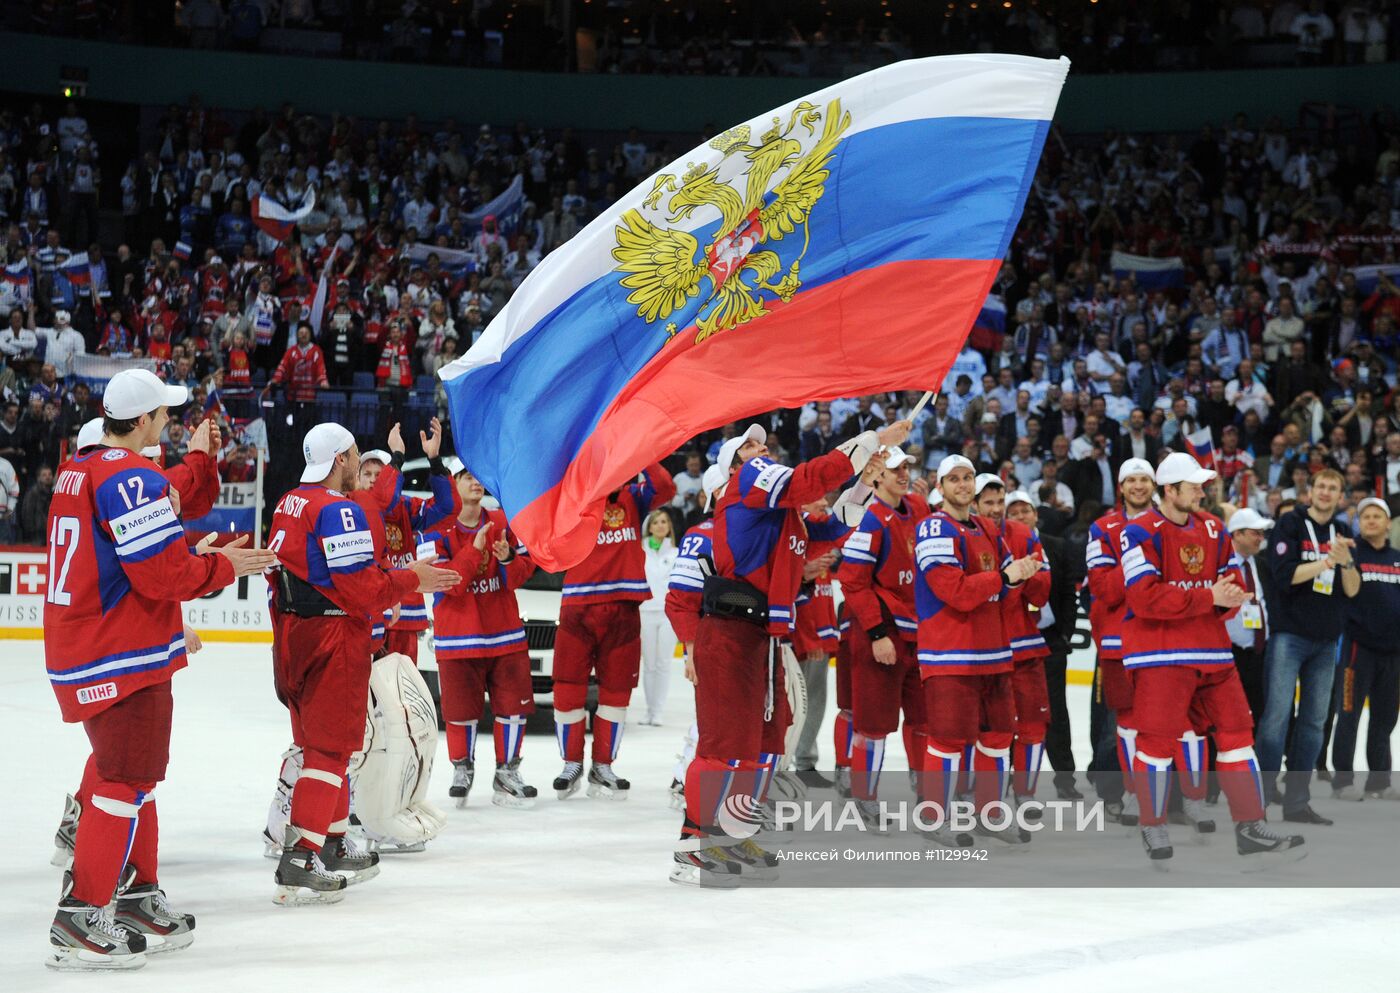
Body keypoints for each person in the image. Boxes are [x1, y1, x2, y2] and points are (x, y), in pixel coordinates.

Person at [43, 369, 274, 969]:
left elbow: (158, 506)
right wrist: (224, 567)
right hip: (115, 650)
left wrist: (198, 467)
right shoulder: (128, 476)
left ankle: (138, 892)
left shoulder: (82, 467)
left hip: (92, 643)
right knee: (124, 778)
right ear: (142, 421)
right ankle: (83, 914)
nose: (168, 421)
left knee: (133, 773)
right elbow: (164, 573)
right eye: (164, 414)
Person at [672, 421, 901, 886]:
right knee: (720, 748)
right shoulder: (746, 481)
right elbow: (808, 479)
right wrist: (871, 441)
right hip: (730, 633)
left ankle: (732, 833)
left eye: (762, 443)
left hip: (764, 638)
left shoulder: (781, 516)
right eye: (750, 445)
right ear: (735, 464)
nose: (762, 449)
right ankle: (693, 847)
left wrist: (865, 482)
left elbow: (831, 528)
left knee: (762, 747)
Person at [266, 423, 459, 906]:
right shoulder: (339, 509)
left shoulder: (290, 501)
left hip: (293, 636)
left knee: (320, 746)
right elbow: (361, 590)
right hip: (333, 639)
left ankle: (329, 842)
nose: (359, 466)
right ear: (340, 460)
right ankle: (303, 854)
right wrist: (411, 580)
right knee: (330, 751)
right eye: (354, 456)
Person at [1119, 452, 1305, 866]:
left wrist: (1230, 596)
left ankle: (1250, 826)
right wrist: (1209, 597)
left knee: (1239, 735)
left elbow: (1230, 578)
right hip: (1160, 655)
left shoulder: (1214, 527)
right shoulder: (1138, 532)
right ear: (1170, 491)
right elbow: (1144, 596)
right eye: (1195, 486)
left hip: (1213, 652)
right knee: (1157, 741)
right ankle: (1152, 823)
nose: (1203, 492)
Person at [914, 454, 1038, 848]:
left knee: (999, 736)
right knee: (948, 739)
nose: (964, 485)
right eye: (955, 479)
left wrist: (1020, 577)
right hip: (950, 653)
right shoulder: (933, 527)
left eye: (968, 478)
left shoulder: (985, 526)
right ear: (940, 484)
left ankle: (990, 812)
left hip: (994, 652)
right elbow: (954, 591)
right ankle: (934, 817)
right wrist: (1005, 577)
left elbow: (1004, 583)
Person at [552, 459, 677, 800]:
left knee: (617, 690)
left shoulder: (633, 497)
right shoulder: (573, 496)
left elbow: (666, 488)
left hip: (623, 603)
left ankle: (603, 764)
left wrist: (645, 454)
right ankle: (571, 762)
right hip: (579, 604)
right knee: (567, 688)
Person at [422, 461, 539, 809]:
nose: (476, 482)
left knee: (513, 709)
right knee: (459, 711)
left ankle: (507, 772)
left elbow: (523, 573)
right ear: (453, 485)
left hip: (505, 634)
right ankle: (462, 769)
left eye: (479, 476)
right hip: (457, 638)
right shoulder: (434, 528)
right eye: (467, 476)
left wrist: (506, 562)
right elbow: (448, 583)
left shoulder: (503, 522)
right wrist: (475, 551)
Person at [1257, 467, 1359, 824]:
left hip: (1326, 640)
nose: (1327, 492)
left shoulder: (1344, 531)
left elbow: (1352, 588)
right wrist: (1327, 561)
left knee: (1314, 723)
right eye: (1321, 486)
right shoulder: (1290, 524)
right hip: (1290, 636)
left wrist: (1344, 563)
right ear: (1309, 491)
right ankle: (1260, 796)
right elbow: (1285, 578)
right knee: (1276, 718)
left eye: (1334, 488)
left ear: (1341, 495)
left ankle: (1297, 803)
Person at [835, 446, 930, 830]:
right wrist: (877, 632)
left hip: (917, 633)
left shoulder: (919, 508)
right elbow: (853, 581)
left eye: (906, 466)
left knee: (924, 719)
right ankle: (864, 797)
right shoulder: (870, 520)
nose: (902, 474)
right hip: (881, 634)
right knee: (873, 723)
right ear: (877, 477)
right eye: (894, 469)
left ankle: (928, 793)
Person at [974, 474, 1053, 819]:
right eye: (988, 502)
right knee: (986, 731)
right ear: (975, 504)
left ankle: (1025, 793)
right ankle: (982, 798)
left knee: (1034, 726)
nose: (995, 509)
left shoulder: (1024, 534)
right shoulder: (961, 535)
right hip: (979, 652)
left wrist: (1027, 574)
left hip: (1024, 647)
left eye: (998, 502)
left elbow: (1041, 592)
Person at [1084, 458, 1156, 823]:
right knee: (1115, 726)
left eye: (1145, 479)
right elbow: (1103, 589)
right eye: (1132, 480)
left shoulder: (1166, 524)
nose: (1139, 486)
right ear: (1121, 486)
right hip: (1117, 643)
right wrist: (1139, 559)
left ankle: (1156, 795)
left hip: (1160, 642)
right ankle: (1114, 793)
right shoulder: (1102, 528)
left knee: (1158, 723)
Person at [356, 420, 456, 664]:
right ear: (356, 478)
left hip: (406, 612)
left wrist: (434, 460)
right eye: (367, 474)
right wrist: (397, 457)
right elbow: (381, 502)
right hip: (368, 614)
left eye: (379, 475)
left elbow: (447, 507)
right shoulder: (351, 509)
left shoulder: (404, 507)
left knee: (404, 695)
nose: (373, 480)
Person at [1007, 490, 1081, 799]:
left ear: (1036, 515)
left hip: (1049, 640)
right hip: (1014, 642)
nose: (1022, 516)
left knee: (1056, 714)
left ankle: (1065, 780)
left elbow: (1067, 593)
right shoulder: (1002, 547)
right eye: (1015, 512)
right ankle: (1013, 774)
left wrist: (1065, 634)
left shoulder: (1057, 546)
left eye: (1026, 510)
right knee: (1011, 713)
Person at [1329, 497, 1400, 801]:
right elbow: (1348, 590)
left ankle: (1379, 781)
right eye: (1365, 516)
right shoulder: (1350, 552)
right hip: (1359, 649)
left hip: (1393, 651)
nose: (1370, 520)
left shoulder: (1397, 558)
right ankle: (1343, 781)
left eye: (1376, 516)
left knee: (1385, 718)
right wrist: (1345, 560)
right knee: (1348, 714)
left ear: (1387, 522)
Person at [1224, 508, 1275, 730]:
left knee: (1259, 716)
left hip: (1260, 655)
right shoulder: (1221, 565)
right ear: (1237, 534)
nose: (1261, 538)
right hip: (1230, 655)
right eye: (1255, 533)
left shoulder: (1262, 564)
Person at [639, 509, 679, 726]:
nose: (661, 525)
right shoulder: (641, 551)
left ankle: (658, 711)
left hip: (667, 614)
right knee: (650, 664)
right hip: (645, 611)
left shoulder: (676, 553)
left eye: (664, 521)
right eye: (657, 522)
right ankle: (649, 709)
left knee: (663, 663)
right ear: (650, 527)